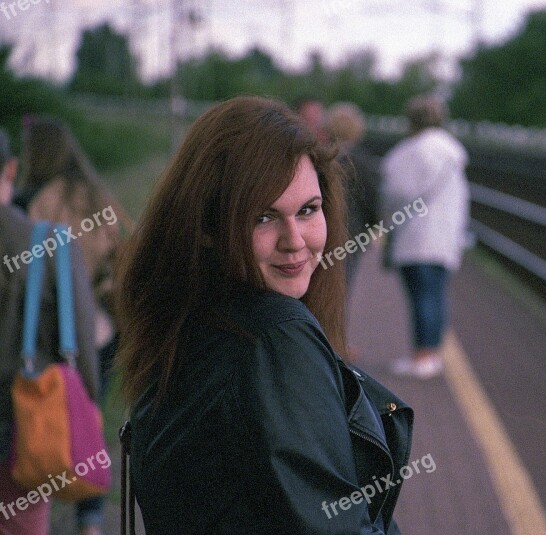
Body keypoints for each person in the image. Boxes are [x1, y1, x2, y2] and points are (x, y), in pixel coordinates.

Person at [115, 96, 413, 534]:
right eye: (263, 217)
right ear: (209, 226)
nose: (295, 240)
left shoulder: (185, 316)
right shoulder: (276, 338)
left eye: (308, 210)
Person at [15, 117, 131, 535]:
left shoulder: (31, 201)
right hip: (100, 330)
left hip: (44, 335)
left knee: (40, 417)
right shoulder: (99, 196)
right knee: (87, 420)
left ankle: (34, 506)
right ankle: (92, 523)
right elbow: (124, 251)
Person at [0, 128, 99, 535]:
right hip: (24, 426)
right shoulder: (50, 245)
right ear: (10, 169)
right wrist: (87, 401)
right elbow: (83, 344)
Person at [381, 95, 470, 379]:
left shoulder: (408, 153)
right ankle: (431, 353)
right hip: (444, 238)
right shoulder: (453, 153)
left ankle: (422, 357)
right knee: (435, 294)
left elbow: (394, 193)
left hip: (414, 236)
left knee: (421, 296)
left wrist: (386, 222)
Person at [325, 102, 381, 289]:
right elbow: (373, 199)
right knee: (342, 289)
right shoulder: (363, 161)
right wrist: (373, 227)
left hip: (323, 231)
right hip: (352, 233)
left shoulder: (322, 157)